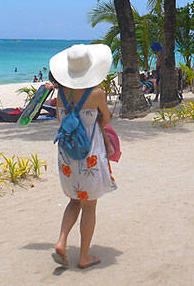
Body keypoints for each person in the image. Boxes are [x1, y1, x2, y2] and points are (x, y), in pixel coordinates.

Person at [49, 44, 116, 269]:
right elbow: (105, 120)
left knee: (74, 200)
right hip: (90, 156)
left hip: (67, 156)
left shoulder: (61, 94)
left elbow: (61, 121)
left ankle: (61, 241)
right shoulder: (97, 94)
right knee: (89, 206)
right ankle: (84, 256)